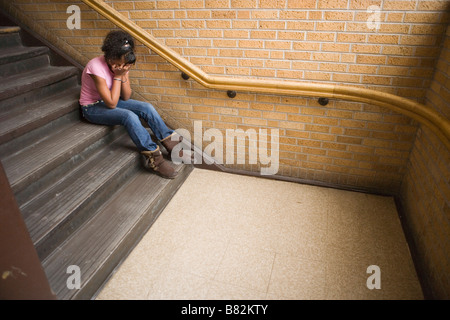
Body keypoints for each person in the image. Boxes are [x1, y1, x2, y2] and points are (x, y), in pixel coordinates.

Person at [79, 30, 182, 179]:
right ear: (110, 56)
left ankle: (170, 145)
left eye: (124, 63)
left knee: (146, 107)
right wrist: (118, 76)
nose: (122, 66)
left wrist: (124, 74)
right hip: (92, 107)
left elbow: (126, 96)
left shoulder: (121, 64)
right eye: (119, 63)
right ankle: (156, 160)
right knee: (128, 116)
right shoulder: (95, 67)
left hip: (110, 100)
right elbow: (112, 104)